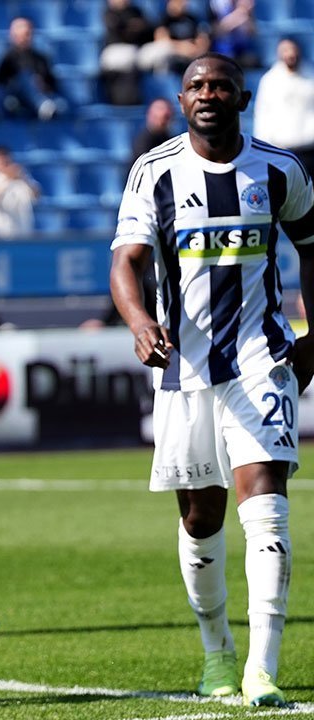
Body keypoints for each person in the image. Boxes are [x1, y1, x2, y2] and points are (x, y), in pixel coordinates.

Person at [111, 52, 314, 708]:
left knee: (267, 507)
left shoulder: (280, 170)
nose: (208, 94)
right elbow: (126, 263)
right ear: (181, 99)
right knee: (202, 518)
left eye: (221, 85)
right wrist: (140, 321)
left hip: (262, 361)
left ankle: (262, 668)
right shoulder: (154, 172)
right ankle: (217, 652)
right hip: (185, 371)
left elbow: (313, 249)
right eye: (196, 85)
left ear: (242, 98)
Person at [253, 38, 314, 173]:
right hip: (282, 149)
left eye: (293, 50)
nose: (290, 54)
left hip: (310, 149)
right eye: (285, 50)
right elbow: (263, 114)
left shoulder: (311, 76)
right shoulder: (270, 80)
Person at [0, 17, 63, 120]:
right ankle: (41, 105)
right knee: (25, 77)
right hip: (16, 98)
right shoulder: (7, 58)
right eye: (20, 35)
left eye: (27, 34)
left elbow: (52, 83)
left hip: (42, 94)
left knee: (62, 104)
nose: (24, 38)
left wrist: (43, 85)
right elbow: (0, 83)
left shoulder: (41, 58)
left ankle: (43, 106)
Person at [99, 0, 154, 106]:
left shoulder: (135, 11)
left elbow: (148, 29)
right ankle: (123, 101)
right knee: (130, 56)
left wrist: (133, 28)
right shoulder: (108, 13)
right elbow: (119, 31)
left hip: (136, 49)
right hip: (114, 51)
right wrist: (133, 27)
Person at [0, 146, 39, 238]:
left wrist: (23, 178)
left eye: (4, 158)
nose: (2, 162)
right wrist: (7, 180)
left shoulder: (21, 176)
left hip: (21, 233)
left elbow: (36, 195)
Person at [131, 98, 176, 168]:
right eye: (164, 117)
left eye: (167, 117)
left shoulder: (169, 139)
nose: (164, 122)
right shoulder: (143, 142)